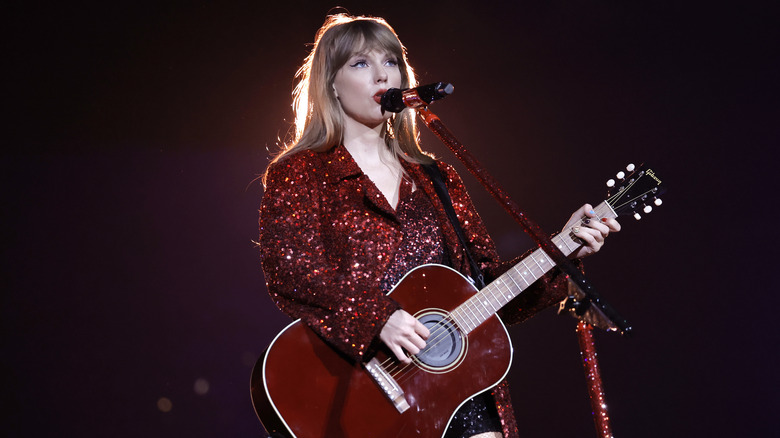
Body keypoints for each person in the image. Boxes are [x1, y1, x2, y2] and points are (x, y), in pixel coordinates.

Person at [257, 13, 620, 438]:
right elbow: (292, 270)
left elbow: (486, 292)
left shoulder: (436, 178)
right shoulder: (302, 172)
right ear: (329, 83)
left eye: (390, 62)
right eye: (360, 64)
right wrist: (377, 317)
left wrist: (562, 249)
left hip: (455, 393)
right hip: (356, 389)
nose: (381, 75)